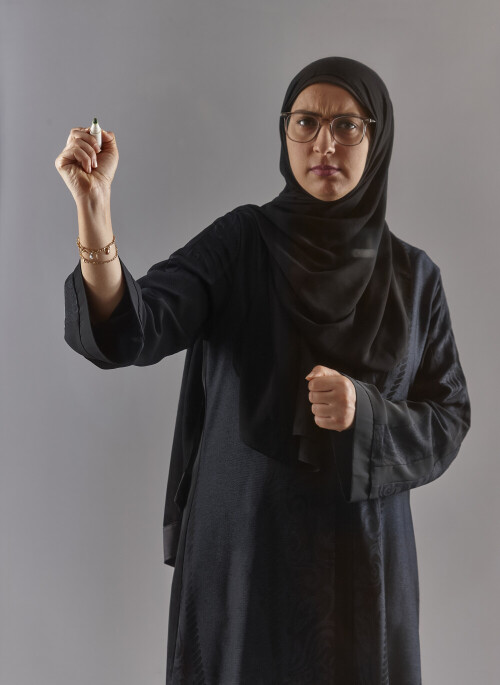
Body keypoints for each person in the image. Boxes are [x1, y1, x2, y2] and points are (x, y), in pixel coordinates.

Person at [55, 56, 471, 685]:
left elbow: (448, 417)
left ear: (377, 137)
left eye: (347, 125)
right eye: (306, 122)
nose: (324, 144)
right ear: (285, 132)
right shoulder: (241, 243)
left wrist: (366, 412)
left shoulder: (414, 279)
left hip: (361, 567)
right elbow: (136, 327)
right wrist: (95, 211)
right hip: (244, 558)